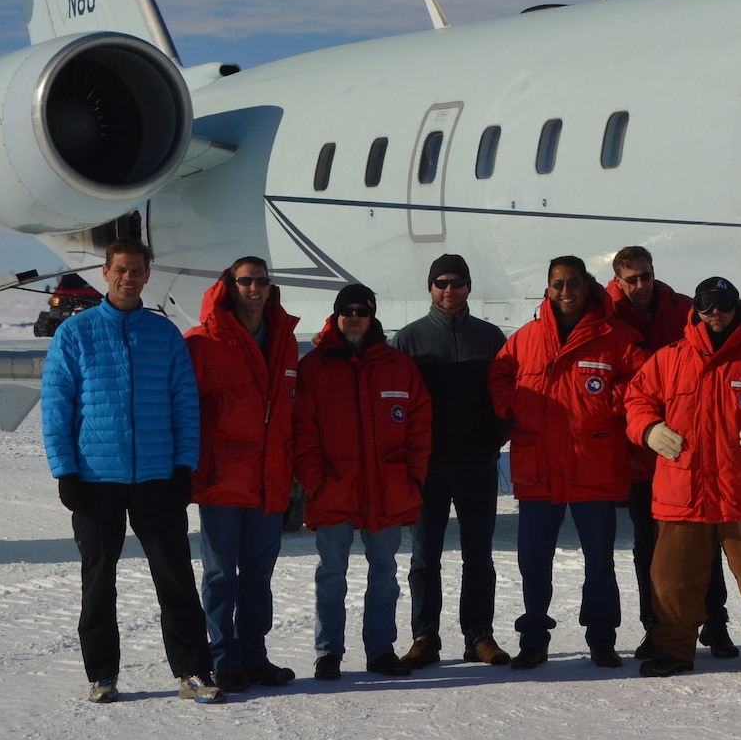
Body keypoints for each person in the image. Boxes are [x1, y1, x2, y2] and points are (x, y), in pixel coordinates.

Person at [40, 240, 219, 705]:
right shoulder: (75, 334)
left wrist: (184, 466)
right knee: (99, 580)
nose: (128, 277)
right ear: (105, 273)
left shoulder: (163, 335)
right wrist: (66, 470)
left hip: (158, 478)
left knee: (175, 578)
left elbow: (185, 405)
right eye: (121, 269)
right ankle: (102, 674)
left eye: (136, 270)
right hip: (96, 481)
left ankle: (194, 671)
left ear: (146, 274)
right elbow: (57, 408)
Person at [625, 277, 741, 678]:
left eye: (723, 305)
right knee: (672, 579)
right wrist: (649, 429)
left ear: (736, 306)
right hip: (682, 491)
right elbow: (636, 399)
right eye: (707, 306)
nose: (716, 313)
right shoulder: (669, 358)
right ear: (696, 309)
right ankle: (673, 650)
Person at [490, 256, 647, 670]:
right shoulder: (525, 338)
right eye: (557, 284)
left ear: (586, 286)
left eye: (572, 284)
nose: (565, 292)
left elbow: (641, 381)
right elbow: (499, 375)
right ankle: (534, 638)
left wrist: (602, 405)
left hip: (591, 465)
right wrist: (514, 405)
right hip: (539, 466)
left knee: (600, 561)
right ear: (548, 288)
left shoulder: (617, 336)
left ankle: (601, 637)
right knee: (533, 561)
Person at [295, 283, 433, 680]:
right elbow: (301, 431)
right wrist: (316, 481)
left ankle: (381, 649)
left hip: (386, 489)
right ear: (336, 314)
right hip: (334, 487)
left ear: (372, 316)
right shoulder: (315, 367)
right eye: (347, 309)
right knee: (331, 574)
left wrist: (413, 479)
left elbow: (420, 427)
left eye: (361, 310)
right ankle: (328, 653)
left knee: (384, 573)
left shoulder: (397, 365)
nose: (353, 316)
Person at [604, 246, 735, 660]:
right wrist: (643, 421)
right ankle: (656, 626)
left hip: (693, 452)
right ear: (619, 281)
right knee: (650, 548)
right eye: (633, 279)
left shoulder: (682, 307)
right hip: (642, 452)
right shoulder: (606, 318)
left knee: (706, 539)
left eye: (647, 276)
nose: (642, 285)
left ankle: (715, 621)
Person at [389, 253, 511, 670]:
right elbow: (393, 401)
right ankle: (425, 637)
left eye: (457, 282)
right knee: (425, 557)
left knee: (479, 556)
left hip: (477, 466)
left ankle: (479, 635)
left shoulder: (491, 339)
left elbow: (508, 396)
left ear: (468, 287)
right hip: (429, 469)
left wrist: (495, 437)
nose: (449, 290)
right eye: (441, 282)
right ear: (430, 287)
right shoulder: (408, 341)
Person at [184, 256, 300, 693]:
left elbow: (292, 410)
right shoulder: (203, 342)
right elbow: (185, 411)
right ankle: (223, 657)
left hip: (269, 477)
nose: (254, 288)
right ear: (230, 286)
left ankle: (254, 655)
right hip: (222, 480)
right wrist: (187, 470)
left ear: (270, 287)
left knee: (259, 573)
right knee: (219, 574)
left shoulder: (285, 340)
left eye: (261, 281)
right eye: (245, 281)